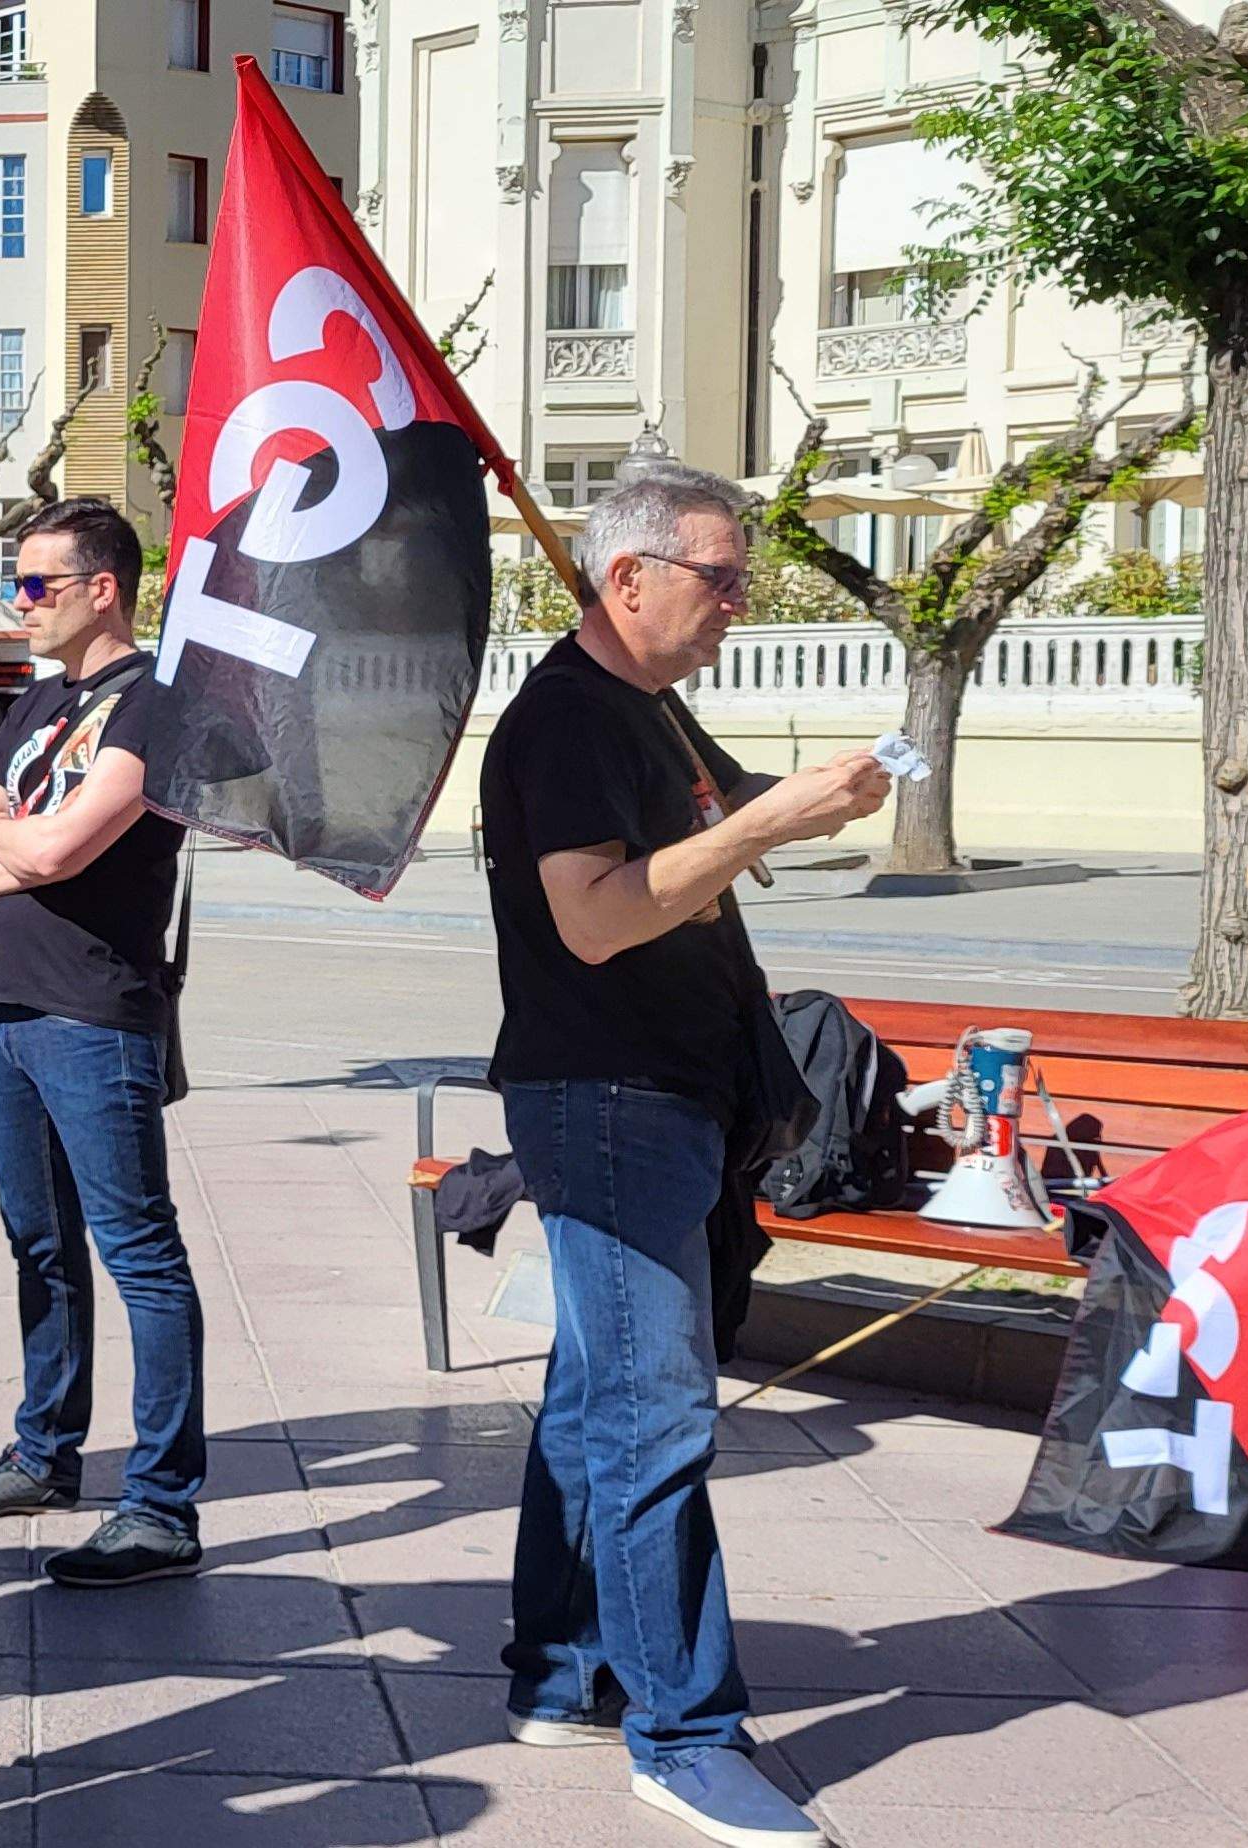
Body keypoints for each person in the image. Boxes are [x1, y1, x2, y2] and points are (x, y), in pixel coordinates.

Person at [480, 463, 884, 1848]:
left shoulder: (645, 711)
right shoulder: (572, 722)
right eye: (719, 577)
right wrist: (763, 823)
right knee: (657, 1415)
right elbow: (595, 919)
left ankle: (562, 1673)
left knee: (600, 1403)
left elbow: (692, 843)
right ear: (629, 577)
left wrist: (795, 797)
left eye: (742, 580)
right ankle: (687, 1736)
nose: (737, 605)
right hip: (609, 1099)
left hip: (658, 1094)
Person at [0, 498, 214, 1591]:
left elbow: (55, 849)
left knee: (139, 1254)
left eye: (36, 584)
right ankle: (45, 1453)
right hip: (4, 1004)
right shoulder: (38, 703)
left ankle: (161, 1504)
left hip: (95, 1012)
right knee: (36, 1243)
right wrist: (11, 840)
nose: (17, 603)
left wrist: (9, 838)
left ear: (102, 588)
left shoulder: (159, 707)